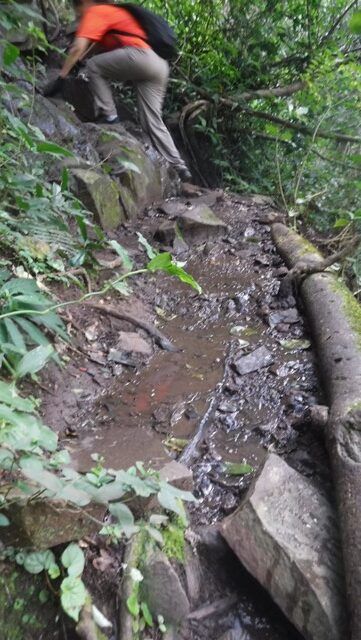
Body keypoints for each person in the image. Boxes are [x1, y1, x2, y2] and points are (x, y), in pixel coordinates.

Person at [43, 0, 191, 181]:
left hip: (141, 58)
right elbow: (95, 47)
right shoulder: (114, 14)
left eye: (77, 10)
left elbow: (78, 48)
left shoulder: (96, 12)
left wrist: (62, 77)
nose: (78, 16)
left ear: (85, 3)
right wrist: (80, 60)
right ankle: (178, 166)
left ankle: (109, 116)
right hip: (159, 65)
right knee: (152, 120)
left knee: (94, 67)